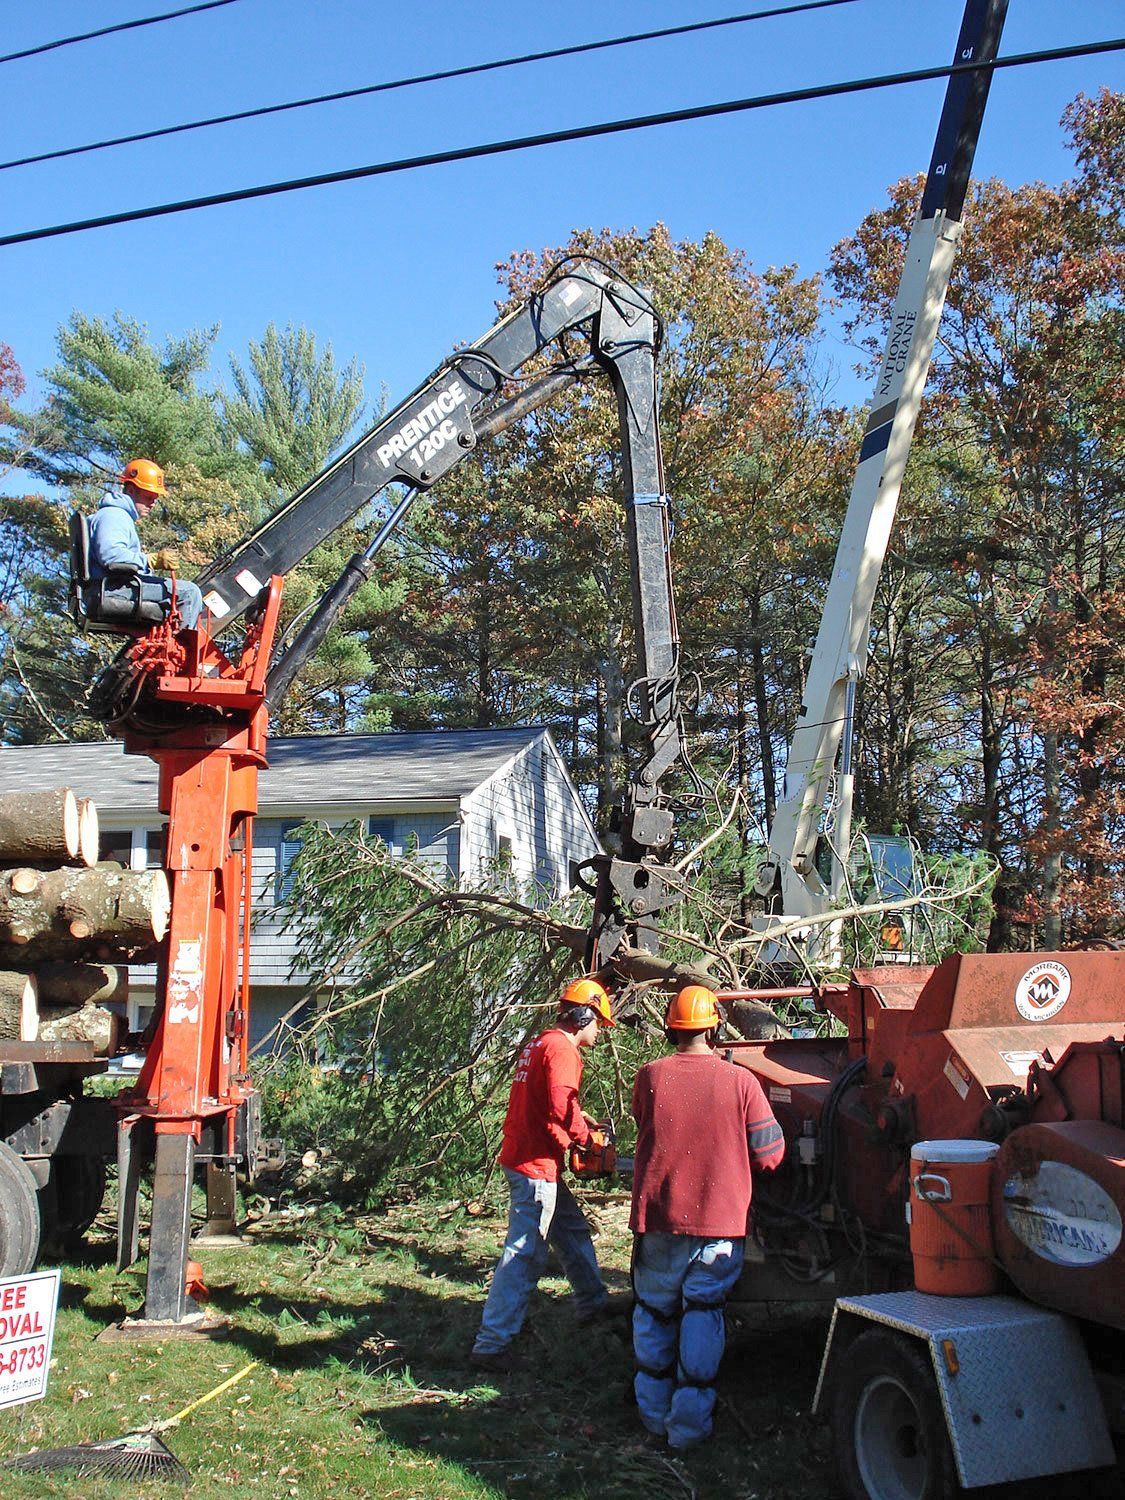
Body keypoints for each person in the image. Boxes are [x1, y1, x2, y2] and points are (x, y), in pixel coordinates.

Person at [630, 983, 784, 1451]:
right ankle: (688, 1429)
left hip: (660, 1216)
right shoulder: (741, 1082)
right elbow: (770, 1154)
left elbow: (645, 1126)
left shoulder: (649, 1076)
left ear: (671, 1029)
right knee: (702, 1312)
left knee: (654, 1312)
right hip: (720, 1222)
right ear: (714, 1028)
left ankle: (652, 1418)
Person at [470, 977, 615, 1371]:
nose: (600, 1031)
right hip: (534, 1168)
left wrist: (577, 1126)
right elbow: (560, 1106)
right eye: (599, 1023)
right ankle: (491, 1345)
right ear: (584, 1016)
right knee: (525, 1253)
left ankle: (593, 1303)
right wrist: (587, 1142)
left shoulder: (541, 1043)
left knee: (571, 1231)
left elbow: (549, 1103)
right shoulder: (563, 1050)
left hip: (531, 1158)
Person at [88, 458, 203, 630]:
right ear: (131, 490)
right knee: (189, 593)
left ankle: (167, 639)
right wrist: (150, 560)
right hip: (113, 588)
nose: (153, 503)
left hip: (112, 585)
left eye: (155, 498)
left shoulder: (115, 515)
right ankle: (184, 646)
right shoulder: (114, 516)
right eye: (148, 496)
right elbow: (110, 555)